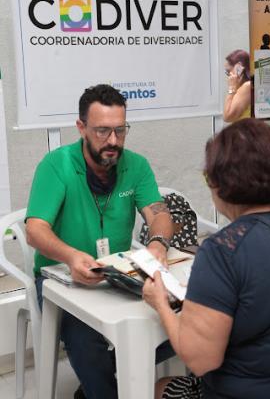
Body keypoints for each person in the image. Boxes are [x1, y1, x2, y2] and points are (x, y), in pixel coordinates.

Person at [143, 118, 270, 399]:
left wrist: (161, 304)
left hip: (248, 389)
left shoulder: (223, 250)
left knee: (155, 390)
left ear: (221, 185)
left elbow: (200, 360)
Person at [25, 84, 174, 399]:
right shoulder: (57, 165)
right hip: (61, 277)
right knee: (86, 339)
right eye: (102, 131)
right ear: (81, 127)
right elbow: (35, 230)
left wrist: (158, 242)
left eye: (121, 131)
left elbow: (159, 215)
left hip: (117, 271)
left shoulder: (136, 165)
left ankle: (103, 381)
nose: (113, 142)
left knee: (183, 318)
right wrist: (70, 256)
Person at [223, 49, 251, 123]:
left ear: (239, 68)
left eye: (228, 72)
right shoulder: (241, 88)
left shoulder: (247, 86)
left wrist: (231, 87)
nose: (228, 76)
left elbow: (228, 117)